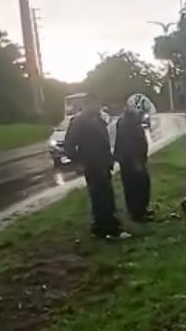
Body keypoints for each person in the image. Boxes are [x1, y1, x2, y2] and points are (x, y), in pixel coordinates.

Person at [63, 93, 126, 239]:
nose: (99, 106)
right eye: (96, 103)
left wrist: (110, 159)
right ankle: (106, 228)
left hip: (103, 163)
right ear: (89, 104)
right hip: (92, 165)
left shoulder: (98, 119)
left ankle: (105, 225)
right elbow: (69, 145)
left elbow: (104, 142)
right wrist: (80, 162)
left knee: (106, 195)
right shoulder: (79, 121)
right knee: (100, 197)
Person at [113, 104, 152, 222]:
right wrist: (136, 162)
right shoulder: (126, 124)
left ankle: (141, 210)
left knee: (142, 186)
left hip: (136, 160)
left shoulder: (132, 122)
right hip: (131, 161)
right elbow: (128, 145)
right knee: (136, 187)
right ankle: (137, 213)